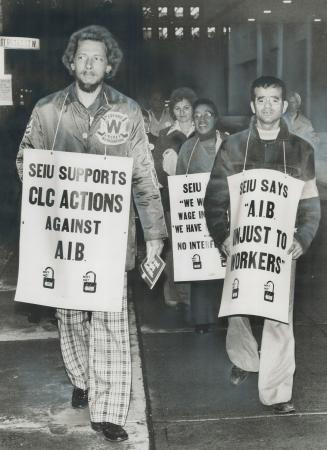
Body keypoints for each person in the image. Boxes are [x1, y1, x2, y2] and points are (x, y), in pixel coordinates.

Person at [16, 25, 167, 443]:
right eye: (82, 56)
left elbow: (144, 177)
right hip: (64, 240)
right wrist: (47, 174)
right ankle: (82, 378)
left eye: (97, 58)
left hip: (112, 242)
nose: (89, 64)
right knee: (70, 318)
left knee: (111, 321)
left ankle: (109, 411)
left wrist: (154, 234)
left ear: (109, 64)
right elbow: (23, 161)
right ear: (71, 60)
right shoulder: (48, 110)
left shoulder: (128, 112)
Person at [204, 76, 320, 414]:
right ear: (252, 105)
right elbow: (214, 196)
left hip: (282, 249)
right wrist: (222, 233)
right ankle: (244, 359)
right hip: (240, 243)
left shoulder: (301, 150)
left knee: (279, 317)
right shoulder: (233, 146)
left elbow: (311, 203)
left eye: (274, 100)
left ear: (284, 106)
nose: (267, 105)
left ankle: (277, 392)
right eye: (261, 99)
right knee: (238, 307)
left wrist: (303, 238)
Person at [176, 98, 228, 333]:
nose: (202, 119)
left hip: (224, 213)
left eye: (208, 114)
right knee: (202, 263)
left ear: (216, 118)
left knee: (228, 262)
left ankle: (230, 315)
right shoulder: (188, 148)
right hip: (197, 218)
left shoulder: (230, 143)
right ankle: (202, 319)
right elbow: (179, 185)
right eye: (197, 115)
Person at [154, 86, 197, 308]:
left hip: (200, 200)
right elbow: (157, 171)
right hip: (172, 199)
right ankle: (172, 291)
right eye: (177, 108)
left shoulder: (203, 132)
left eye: (186, 108)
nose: (181, 112)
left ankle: (192, 293)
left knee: (196, 246)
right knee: (175, 246)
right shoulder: (165, 135)